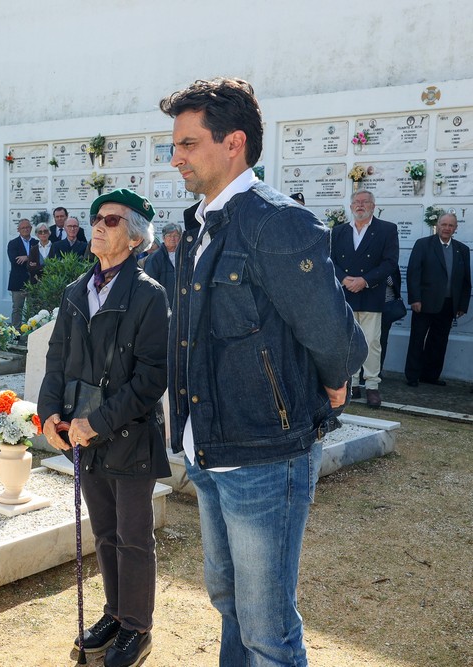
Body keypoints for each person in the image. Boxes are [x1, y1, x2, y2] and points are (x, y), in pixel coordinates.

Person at [160, 77, 366, 666]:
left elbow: (332, 333)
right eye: (174, 145)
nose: (176, 158)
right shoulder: (200, 224)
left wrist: (334, 382)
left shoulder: (277, 223)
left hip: (265, 457)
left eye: (188, 144)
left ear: (234, 143)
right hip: (207, 447)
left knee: (268, 630)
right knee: (229, 602)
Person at [39, 189, 169, 667]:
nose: (98, 224)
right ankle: (115, 614)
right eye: (96, 216)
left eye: (112, 220)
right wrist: (48, 413)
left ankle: (137, 627)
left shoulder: (149, 295)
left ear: (134, 238)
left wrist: (97, 422)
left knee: (133, 538)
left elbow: (151, 379)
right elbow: (57, 358)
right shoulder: (77, 291)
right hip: (84, 436)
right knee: (106, 534)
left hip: (128, 436)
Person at [331, 190, 399, 408]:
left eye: (365, 202)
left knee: (371, 342)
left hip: (371, 293)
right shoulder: (338, 231)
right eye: (356, 202)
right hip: (345, 294)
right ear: (351, 206)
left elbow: (390, 262)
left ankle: (372, 386)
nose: (360, 205)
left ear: (373, 206)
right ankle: (351, 383)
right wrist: (343, 279)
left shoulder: (387, 229)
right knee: (348, 342)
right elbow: (329, 260)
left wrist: (365, 280)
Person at [404, 213, 471, 386]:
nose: (447, 228)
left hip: (449, 304)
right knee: (417, 339)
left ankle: (430, 376)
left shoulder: (462, 249)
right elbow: (413, 273)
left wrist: (462, 304)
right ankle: (412, 376)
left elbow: (465, 280)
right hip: (424, 302)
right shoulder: (423, 244)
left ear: (455, 228)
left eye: (451, 225)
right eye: (444, 224)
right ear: (437, 225)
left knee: (439, 341)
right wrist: (415, 299)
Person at [7, 218, 37, 329]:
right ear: (18, 230)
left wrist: (27, 257)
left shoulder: (36, 243)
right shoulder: (13, 243)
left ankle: (32, 331)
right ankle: (16, 331)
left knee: (33, 308)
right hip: (18, 281)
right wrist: (31, 259)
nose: (25, 229)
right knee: (17, 308)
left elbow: (39, 260)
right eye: (23, 228)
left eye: (27, 227)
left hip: (33, 281)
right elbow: (15, 261)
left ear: (31, 228)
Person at [141, 223, 181, 301]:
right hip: (162, 302)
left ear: (180, 238)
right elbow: (149, 283)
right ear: (163, 238)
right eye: (169, 236)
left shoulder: (186, 256)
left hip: (181, 301)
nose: (172, 239)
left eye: (176, 236)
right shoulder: (154, 258)